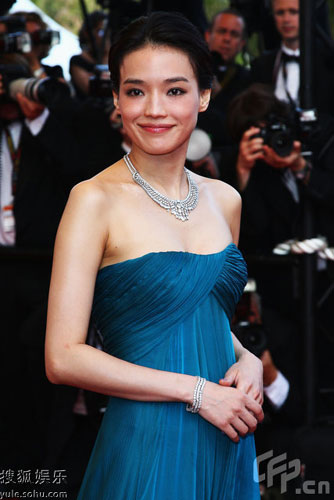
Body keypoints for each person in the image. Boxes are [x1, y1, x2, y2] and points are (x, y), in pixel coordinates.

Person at [45, 12, 264, 499]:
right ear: (118, 99)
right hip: (148, 434)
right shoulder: (92, 200)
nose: (154, 109)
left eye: (175, 90)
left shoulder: (226, 200)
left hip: (228, 431)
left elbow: (201, 316)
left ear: (204, 96)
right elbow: (62, 358)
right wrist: (198, 392)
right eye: (136, 90)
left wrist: (246, 357)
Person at [251, 0, 334, 114]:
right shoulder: (262, 65)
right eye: (280, 13)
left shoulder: (328, 62)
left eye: (293, 12)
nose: (286, 19)